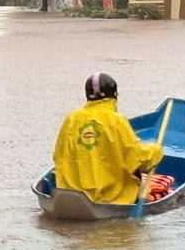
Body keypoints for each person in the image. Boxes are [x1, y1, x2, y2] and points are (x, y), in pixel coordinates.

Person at [52, 72, 165, 205]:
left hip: (71, 194)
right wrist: (156, 151)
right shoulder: (116, 120)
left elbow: (58, 156)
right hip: (109, 197)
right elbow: (136, 157)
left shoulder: (71, 119)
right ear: (114, 95)